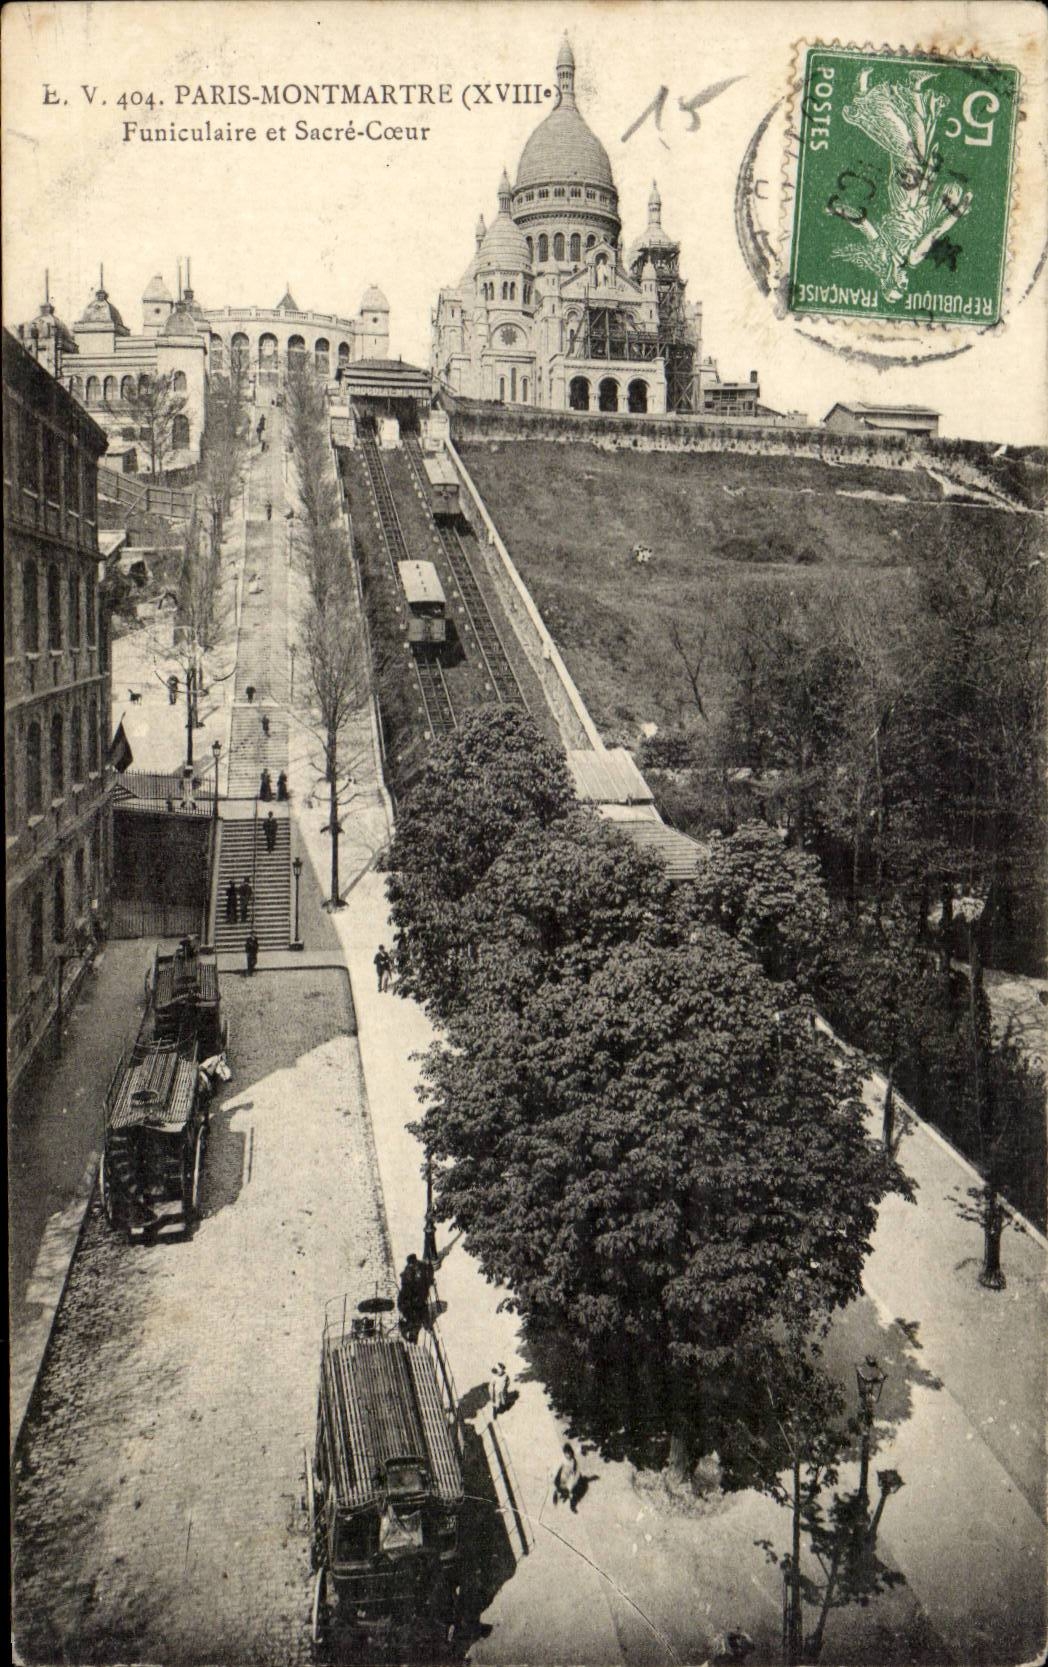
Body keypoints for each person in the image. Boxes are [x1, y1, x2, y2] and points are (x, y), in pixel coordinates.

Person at [397, 1253, 432, 1344]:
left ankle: (413, 1331)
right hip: (415, 1299)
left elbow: (407, 1287)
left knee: (415, 1315)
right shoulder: (415, 1269)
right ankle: (413, 1332)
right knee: (414, 1315)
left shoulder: (412, 1270)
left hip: (417, 1298)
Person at [551, 1443, 580, 1510]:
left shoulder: (573, 1461)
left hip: (568, 1477)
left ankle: (570, 1503)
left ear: (571, 1452)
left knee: (567, 1488)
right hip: (561, 1475)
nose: (568, 1455)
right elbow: (557, 1466)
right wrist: (553, 1473)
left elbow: (574, 1474)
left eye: (569, 1453)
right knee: (558, 1486)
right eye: (566, 1454)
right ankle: (556, 1494)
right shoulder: (563, 1459)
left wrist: (581, 1448)